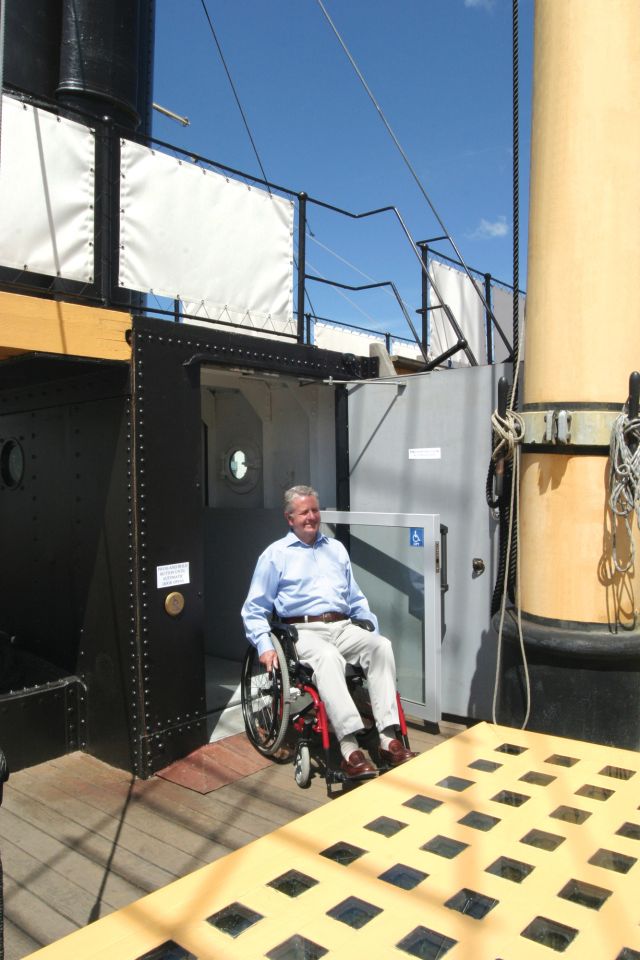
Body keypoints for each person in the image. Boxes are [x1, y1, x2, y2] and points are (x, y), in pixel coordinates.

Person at [241, 485, 416, 776]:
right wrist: (264, 644)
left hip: (342, 625)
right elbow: (254, 608)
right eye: (304, 512)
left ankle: (388, 739)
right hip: (302, 631)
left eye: (314, 510)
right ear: (290, 518)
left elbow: (355, 598)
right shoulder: (275, 555)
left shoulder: (336, 549)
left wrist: (370, 628)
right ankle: (349, 750)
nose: (311, 517)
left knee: (381, 646)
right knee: (327, 656)